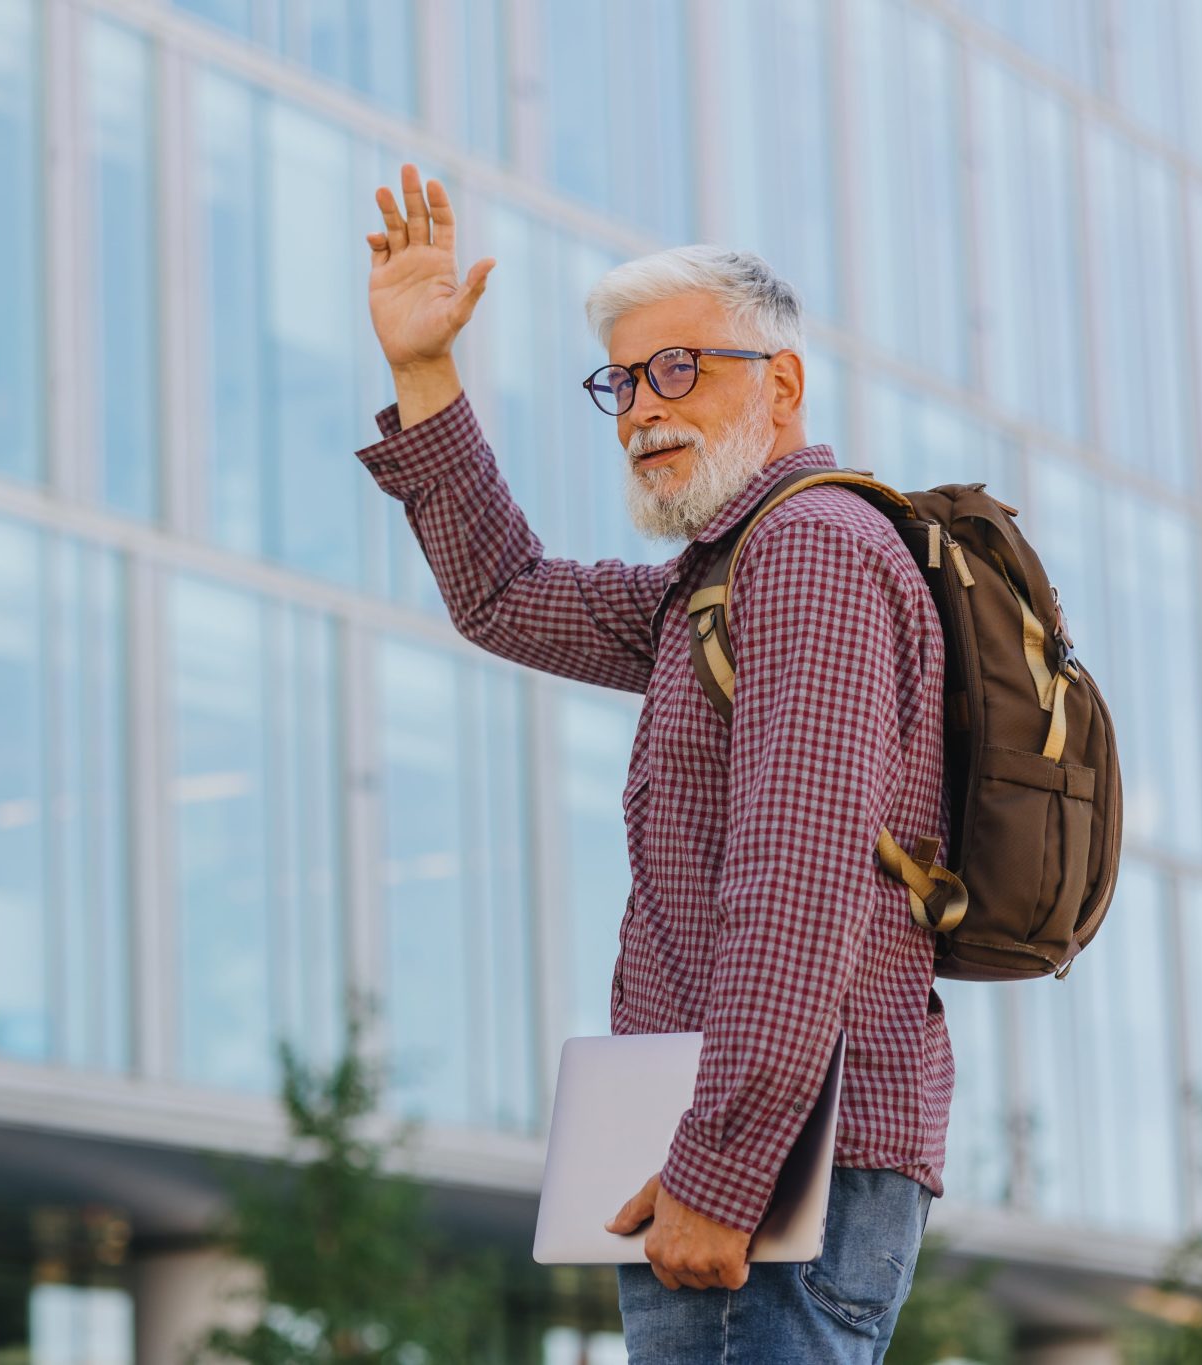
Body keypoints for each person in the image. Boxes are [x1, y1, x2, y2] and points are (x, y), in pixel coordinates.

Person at [355, 163, 952, 1362]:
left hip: (786, 1160)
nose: (640, 410)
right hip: (749, 1138)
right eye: (620, 383)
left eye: (676, 369)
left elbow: (796, 886)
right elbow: (509, 596)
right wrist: (425, 374)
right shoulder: (718, 581)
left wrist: (724, 1173)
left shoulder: (810, 553)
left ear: (777, 383)